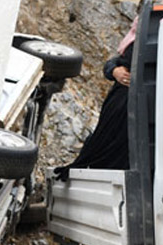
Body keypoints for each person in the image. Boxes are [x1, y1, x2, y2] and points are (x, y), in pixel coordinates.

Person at [55, 15, 139, 180]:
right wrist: (114, 70)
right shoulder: (137, 38)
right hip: (119, 101)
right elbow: (114, 63)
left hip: (131, 104)